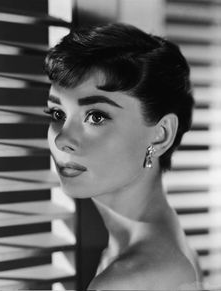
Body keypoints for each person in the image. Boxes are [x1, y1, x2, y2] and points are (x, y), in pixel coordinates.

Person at [44, 23, 203, 290]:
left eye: (96, 116)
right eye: (58, 114)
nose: (62, 140)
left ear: (161, 135)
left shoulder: (124, 280)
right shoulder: (169, 242)